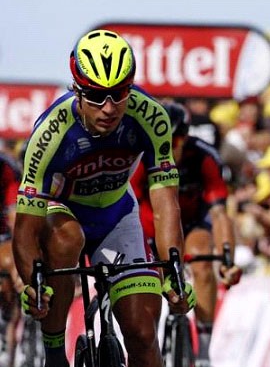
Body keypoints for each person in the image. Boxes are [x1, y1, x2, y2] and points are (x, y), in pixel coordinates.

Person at [13, 29, 195, 367]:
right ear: (77, 91)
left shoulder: (151, 118)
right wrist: (33, 284)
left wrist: (174, 270)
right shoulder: (51, 131)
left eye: (119, 93)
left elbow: (166, 204)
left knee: (142, 334)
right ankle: (55, 355)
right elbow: (25, 225)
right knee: (68, 237)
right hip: (62, 214)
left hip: (116, 215)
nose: (109, 107)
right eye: (96, 96)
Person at [132, 101, 242, 367]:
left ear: (186, 136)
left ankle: (203, 351)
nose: (172, 147)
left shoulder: (204, 156)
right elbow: (129, 209)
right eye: (166, 142)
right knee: (150, 282)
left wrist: (227, 259)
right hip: (151, 226)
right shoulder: (141, 158)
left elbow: (219, 215)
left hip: (191, 223)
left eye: (177, 140)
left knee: (204, 264)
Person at [0, 151, 22, 367]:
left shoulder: (7, 168)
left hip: (4, 234)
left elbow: (15, 216)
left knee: (10, 261)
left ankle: (8, 319)